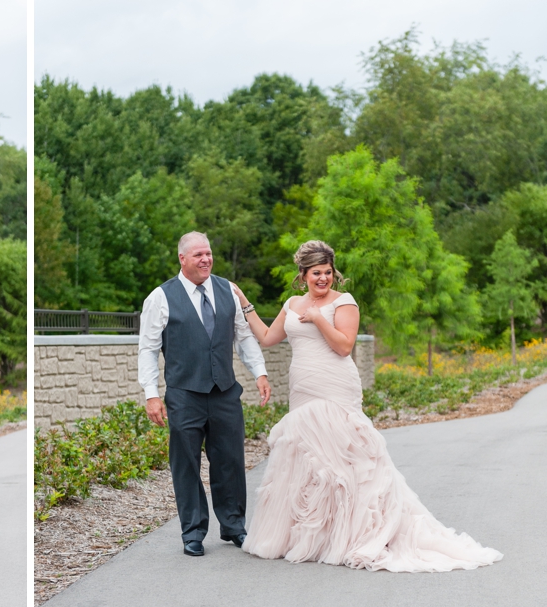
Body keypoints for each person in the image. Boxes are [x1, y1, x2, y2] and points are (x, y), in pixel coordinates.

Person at [230, 241, 500, 571]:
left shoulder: (343, 302)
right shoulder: (291, 302)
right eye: (316, 273)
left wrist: (318, 318)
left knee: (348, 462)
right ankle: (319, 536)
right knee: (312, 463)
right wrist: (244, 303)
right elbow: (268, 338)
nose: (323, 279)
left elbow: (344, 346)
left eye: (328, 272)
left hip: (336, 387)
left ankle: (359, 535)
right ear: (302, 275)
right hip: (303, 391)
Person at [139, 232, 269, 557]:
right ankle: (193, 531)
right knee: (186, 463)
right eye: (198, 255)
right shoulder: (161, 297)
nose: (206, 259)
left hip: (225, 391)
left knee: (230, 460)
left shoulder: (228, 290)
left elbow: (244, 336)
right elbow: (148, 349)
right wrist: (151, 394)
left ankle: (234, 526)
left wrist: (260, 372)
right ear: (182, 258)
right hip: (184, 394)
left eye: (208, 253)